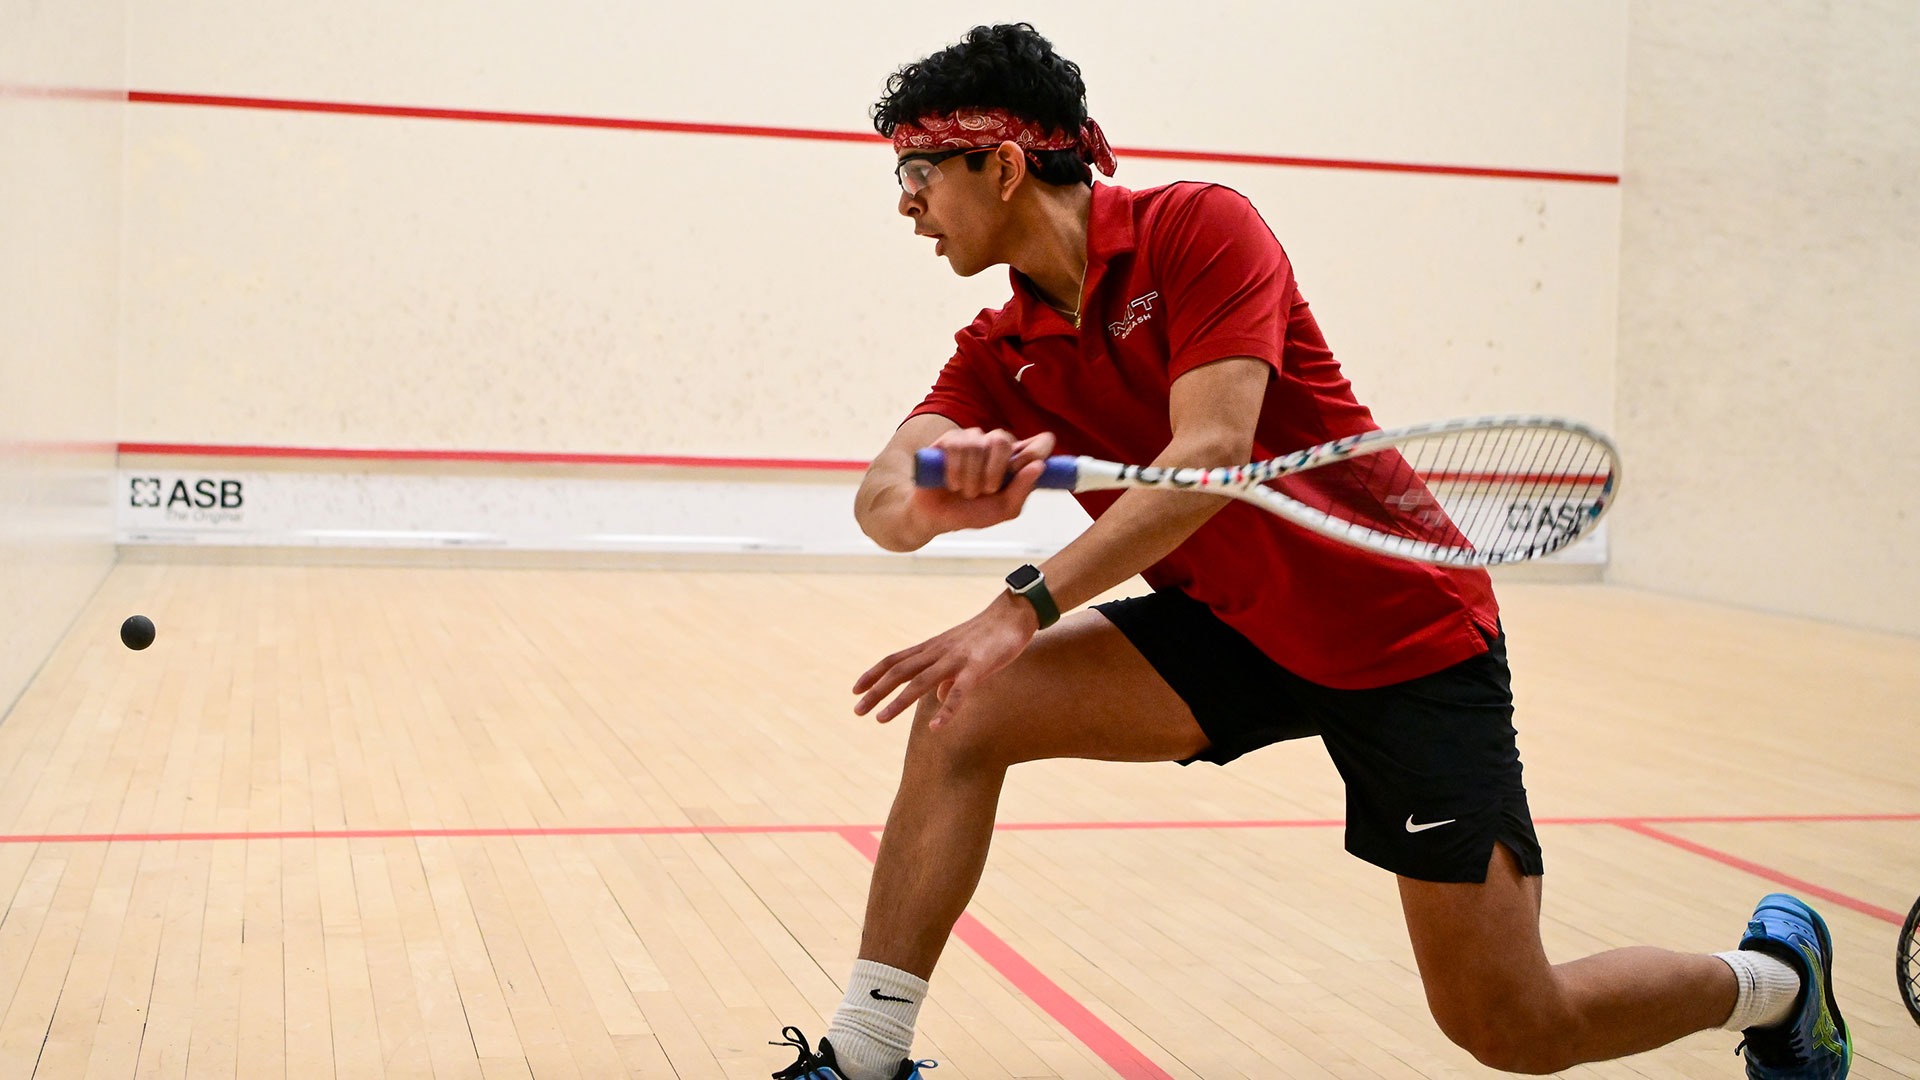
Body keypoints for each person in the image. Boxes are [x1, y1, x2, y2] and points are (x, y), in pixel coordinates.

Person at [771, 22, 1849, 1080]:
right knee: (965, 710)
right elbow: (881, 499)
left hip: (1402, 637)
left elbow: (1210, 457)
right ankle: (864, 1058)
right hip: (1236, 630)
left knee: (1513, 1025)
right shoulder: (1002, 349)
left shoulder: (1201, 229)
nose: (904, 200)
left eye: (917, 168)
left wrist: (1017, 607)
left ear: (1001, 164)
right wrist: (939, 486)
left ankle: (1776, 982)